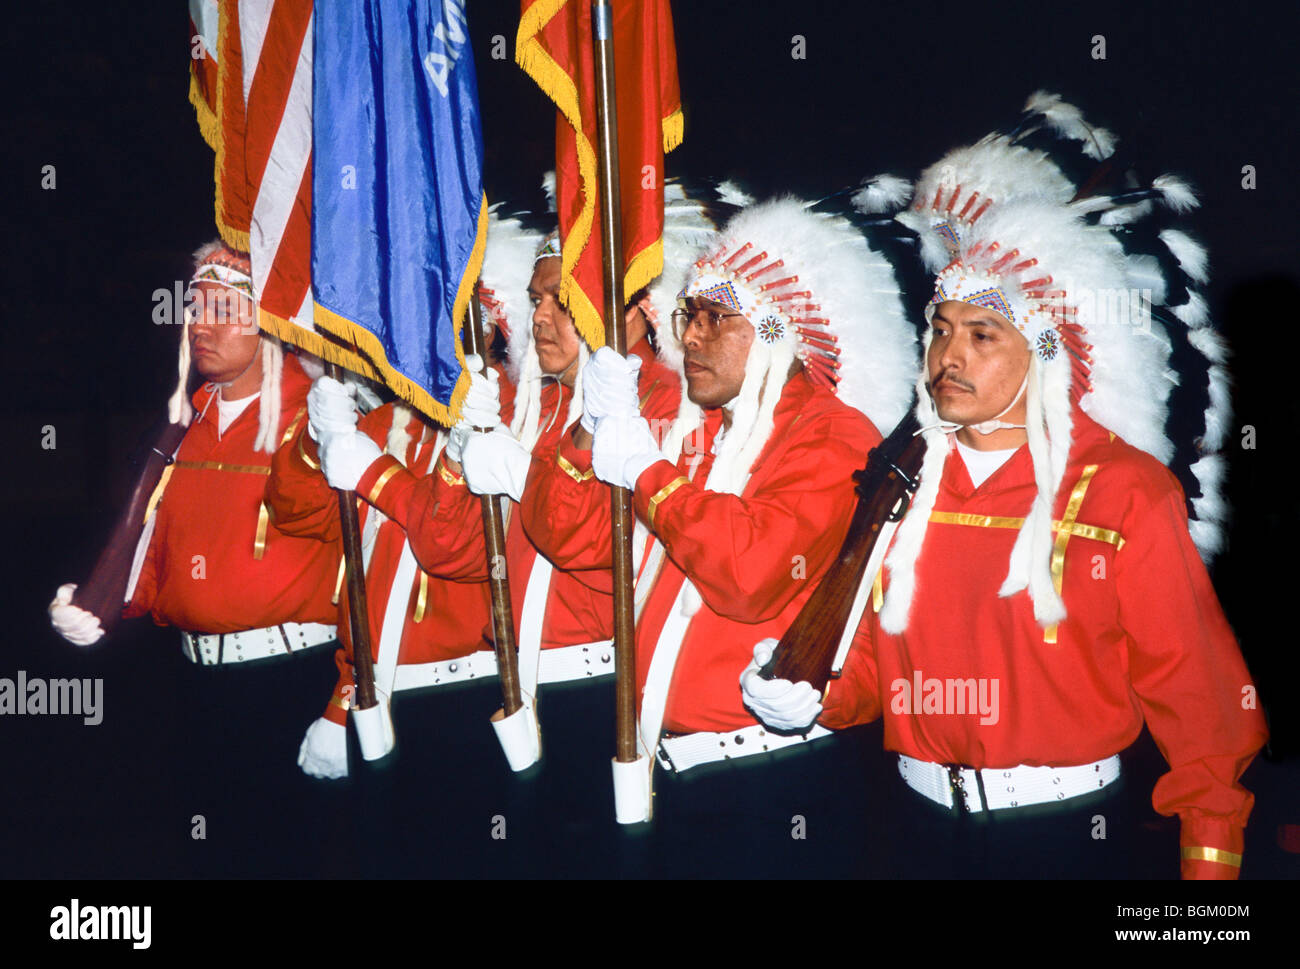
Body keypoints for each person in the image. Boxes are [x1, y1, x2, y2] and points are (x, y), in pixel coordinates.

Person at [747, 194, 1267, 879]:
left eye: (982, 335)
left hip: (1066, 836)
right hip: (912, 829)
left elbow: (1200, 702)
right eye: (940, 330)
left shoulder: (1125, 490)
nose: (948, 356)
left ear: (1044, 348)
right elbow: (873, 667)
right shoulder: (900, 482)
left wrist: (1208, 879)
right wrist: (810, 689)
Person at [568, 196, 919, 825]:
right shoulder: (702, 432)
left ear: (776, 330)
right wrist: (588, 429)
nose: (690, 336)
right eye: (688, 315)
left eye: (716, 318)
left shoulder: (833, 433)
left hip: (765, 779)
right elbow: (575, 541)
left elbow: (749, 575)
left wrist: (648, 473)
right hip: (661, 766)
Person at [310, 213, 684, 769]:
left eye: (562, 301)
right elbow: (449, 549)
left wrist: (515, 470)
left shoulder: (669, 404)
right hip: (520, 686)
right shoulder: (539, 405)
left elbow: (595, 541)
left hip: (602, 682)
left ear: (628, 309)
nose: (540, 317)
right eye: (535, 300)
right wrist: (459, 455)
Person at [268, 209, 534, 779]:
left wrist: (377, 477)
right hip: (377, 695)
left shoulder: (517, 419)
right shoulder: (389, 420)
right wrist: (316, 440)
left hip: (474, 695)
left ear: (487, 329)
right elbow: (298, 514)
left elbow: (457, 550)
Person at [48, 241, 338, 663]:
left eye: (223, 311)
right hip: (195, 675)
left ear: (272, 322)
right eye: (196, 311)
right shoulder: (179, 431)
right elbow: (155, 555)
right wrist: (97, 601)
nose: (200, 327)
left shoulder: (319, 421)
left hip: (294, 671)